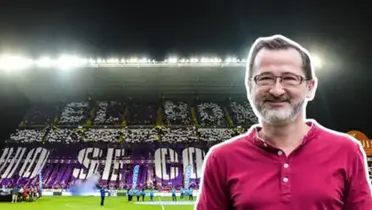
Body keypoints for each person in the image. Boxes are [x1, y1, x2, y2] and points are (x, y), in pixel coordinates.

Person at [195, 34, 372, 210]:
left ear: (310, 88)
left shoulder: (347, 151)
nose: (277, 90)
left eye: (289, 78)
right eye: (265, 78)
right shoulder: (221, 158)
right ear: (250, 87)